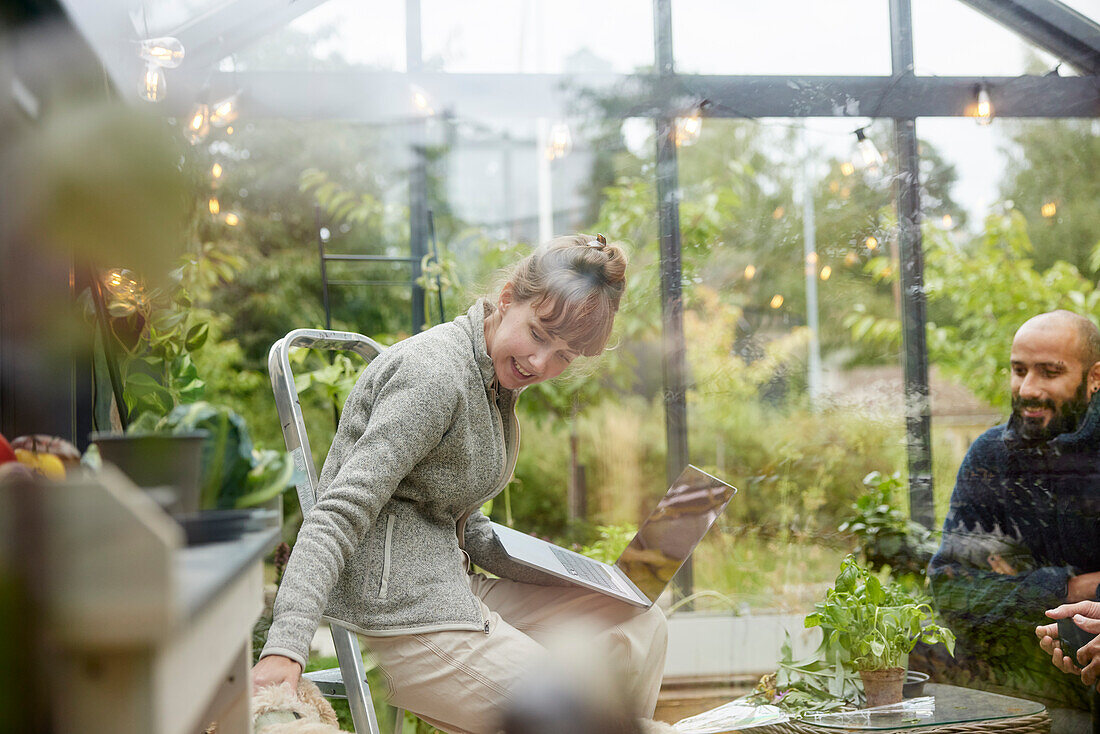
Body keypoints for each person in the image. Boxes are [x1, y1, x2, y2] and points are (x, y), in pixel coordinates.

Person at [252, 234, 669, 734]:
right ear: (509, 297)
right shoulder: (436, 375)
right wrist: (285, 647)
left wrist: (574, 574)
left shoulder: (491, 382)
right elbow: (338, 510)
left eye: (563, 356)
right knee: (582, 716)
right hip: (395, 611)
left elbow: (456, 520)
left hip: (445, 588)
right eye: (538, 335)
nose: (541, 365)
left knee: (636, 620)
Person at [925, 310, 1100, 710]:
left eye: (1049, 372)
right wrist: (1071, 588)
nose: (1028, 389)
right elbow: (953, 592)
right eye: (1019, 370)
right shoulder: (990, 459)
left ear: (1095, 378)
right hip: (1014, 699)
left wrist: (1019, 592)